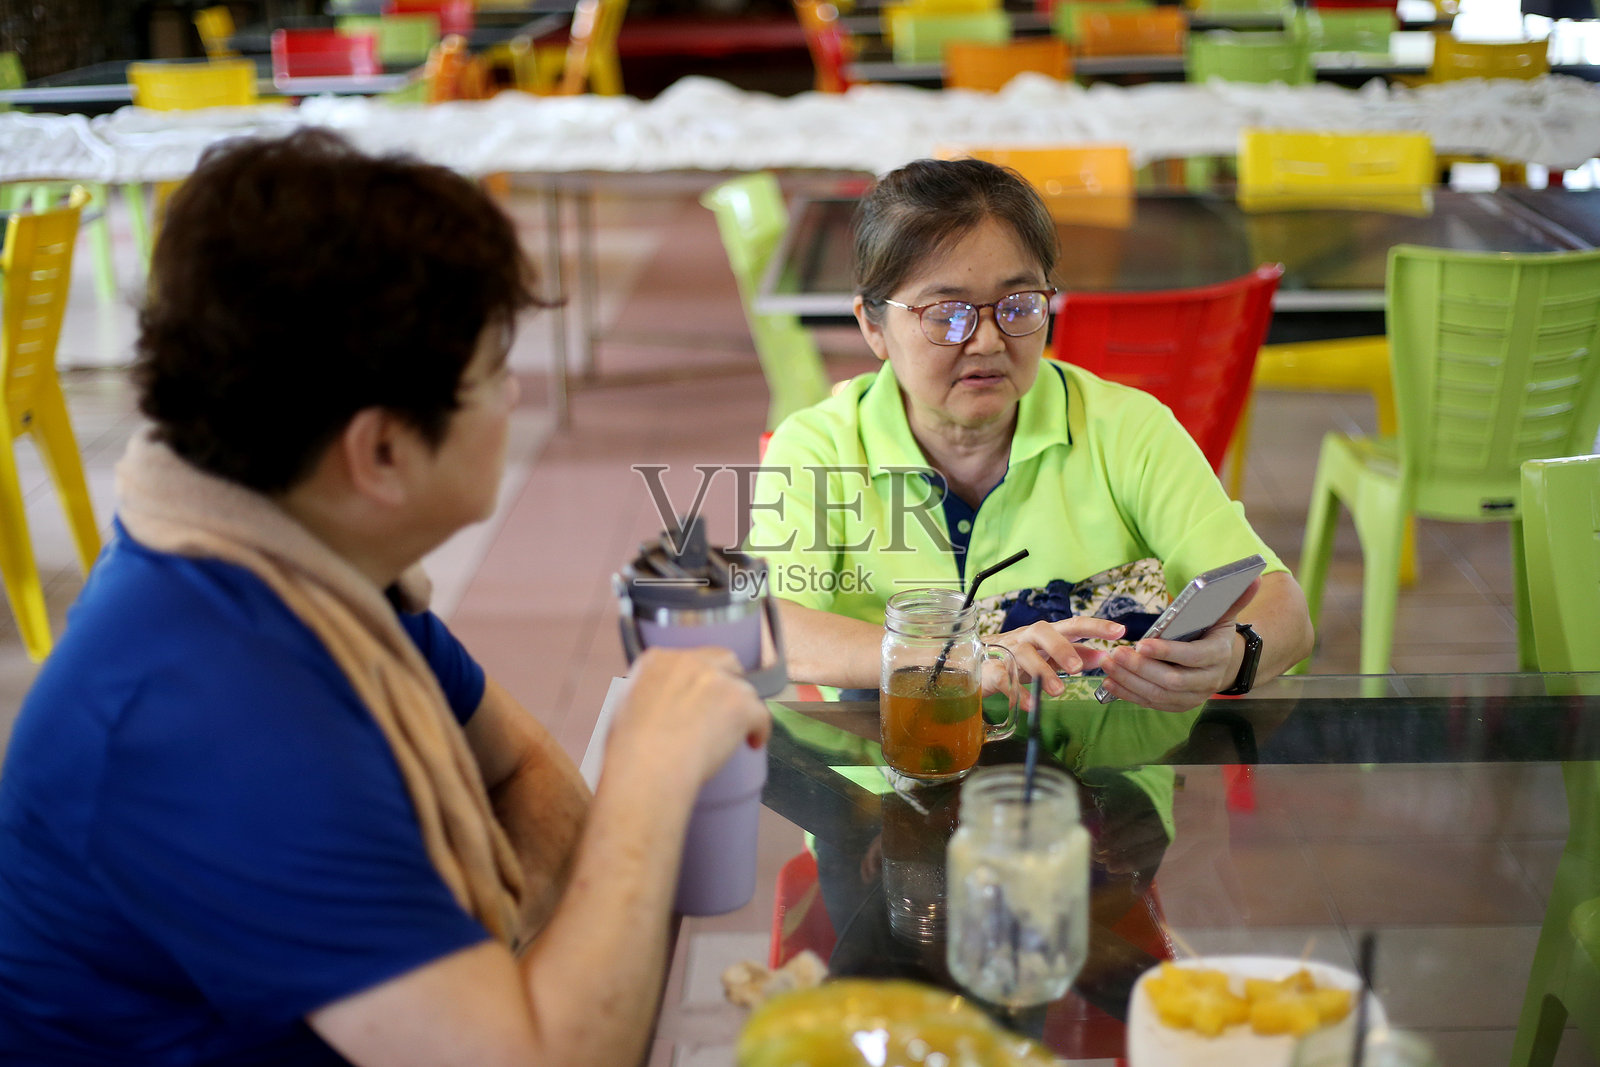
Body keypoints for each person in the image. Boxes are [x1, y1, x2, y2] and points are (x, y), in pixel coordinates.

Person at [0, 129, 769, 1065]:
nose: (515, 395)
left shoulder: (305, 562)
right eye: (492, 375)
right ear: (381, 452)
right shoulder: (212, 704)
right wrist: (647, 777)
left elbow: (531, 773)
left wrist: (475, 966)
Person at [747, 157, 1313, 712]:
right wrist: (965, 656)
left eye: (1018, 306)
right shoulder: (822, 446)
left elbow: (1283, 607)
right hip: (888, 778)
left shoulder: (1126, 431)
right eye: (947, 314)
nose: (989, 341)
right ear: (873, 325)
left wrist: (1232, 657)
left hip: (1100, 782)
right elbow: (768, 628)